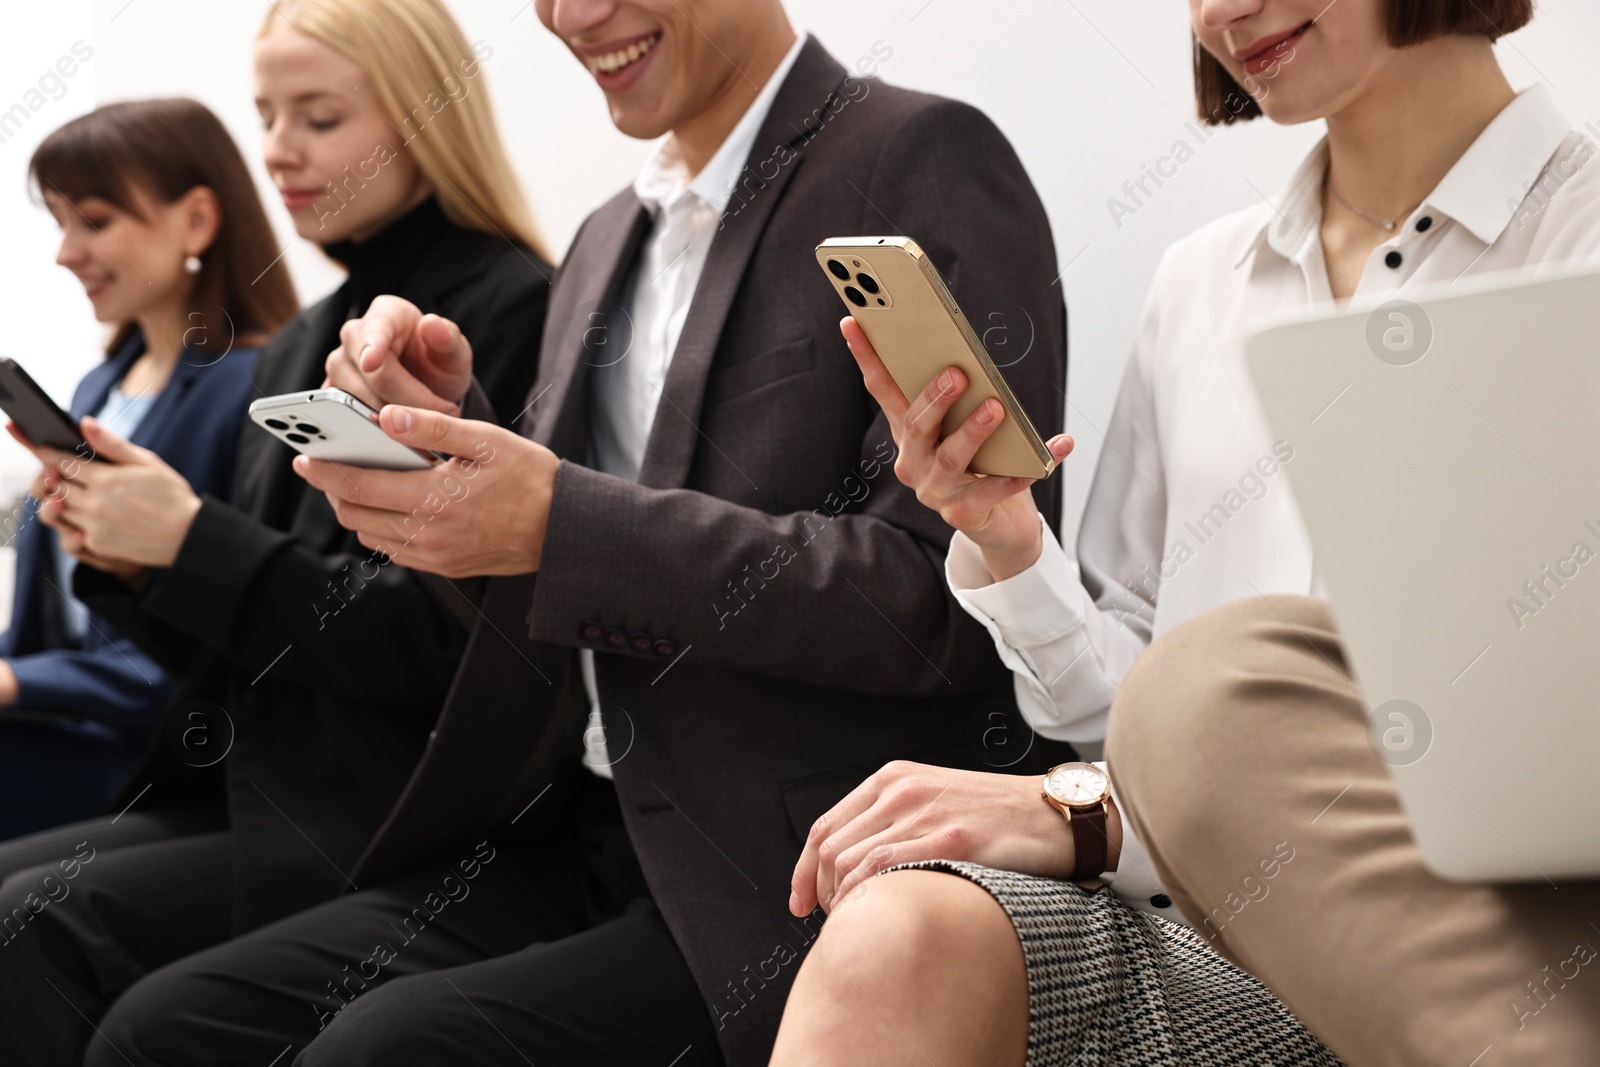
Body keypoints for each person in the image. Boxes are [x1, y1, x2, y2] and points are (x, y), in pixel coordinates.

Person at [29, 0, 1070, 1063]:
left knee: (374, 1046)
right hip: (571, 830)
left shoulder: (916, 155)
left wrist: (554, 516)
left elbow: (944, 605)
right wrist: (451, 448)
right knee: (163, 1029)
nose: (571, 13)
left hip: (780, 861)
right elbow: (548, 583)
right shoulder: (606, 236)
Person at [771, 0, 1600, 1064]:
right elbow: (1138, 714)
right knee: (899, 935)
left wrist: (1097, 821)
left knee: (1211, 678)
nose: (1219, 13)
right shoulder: (1201, 283)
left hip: (1513, 934)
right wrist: (1010, 542)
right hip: (1216, 931)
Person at [0, 1, 552, 1063]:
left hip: (393, 811)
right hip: (261, 786)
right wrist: (132, 564)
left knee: (34, 925)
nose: (278, 152)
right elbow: (245, 658)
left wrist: (194, 543)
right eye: (267, 116)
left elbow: (448, 644)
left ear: (427, 122)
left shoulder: (509, 307)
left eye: (319, 118)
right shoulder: (300, 336)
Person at [0, 98, 296, 841]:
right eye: (61, 222)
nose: (66, 252)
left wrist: (19, 681)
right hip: (65, 729)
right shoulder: (96, 391)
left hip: (157, 759)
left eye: (94, 221)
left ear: (195, 220)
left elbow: (213, 651)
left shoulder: (254, 393)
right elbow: (44, 622)